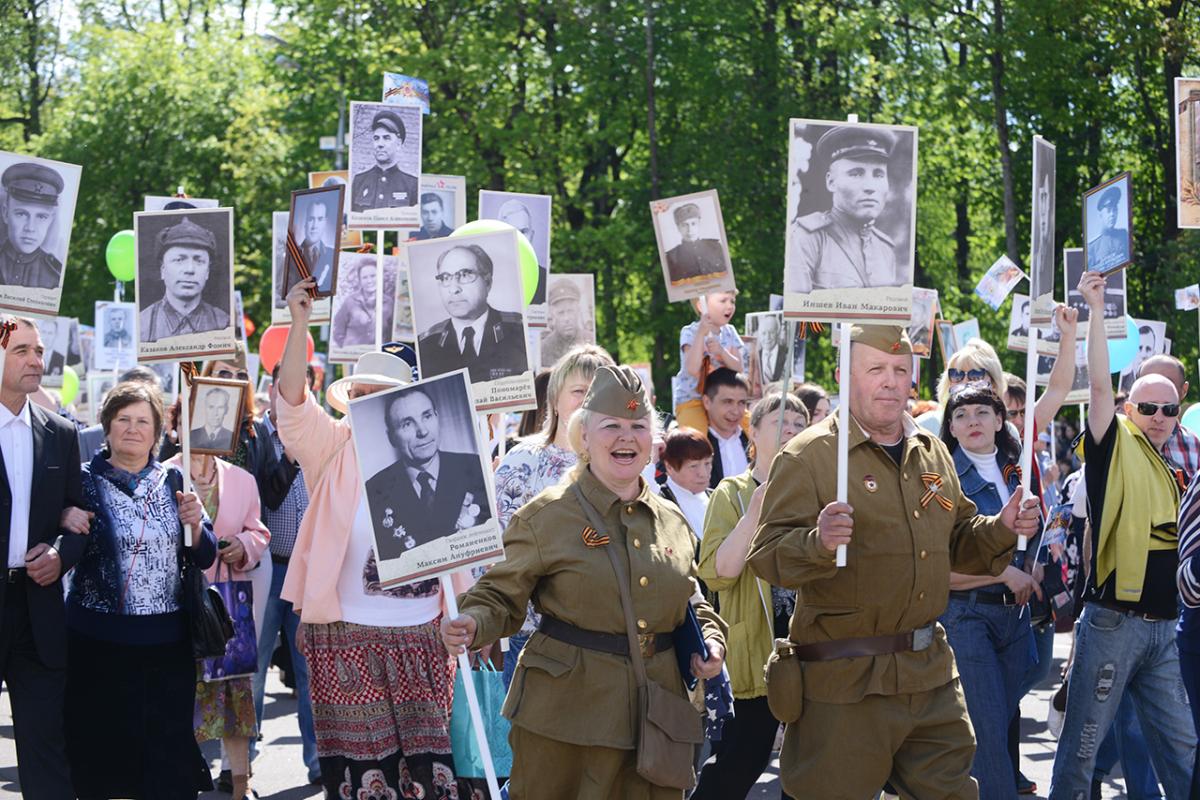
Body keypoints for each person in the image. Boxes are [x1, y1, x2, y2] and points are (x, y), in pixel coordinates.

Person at [746, 324, 1042, 798]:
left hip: (928, 676)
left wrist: (1003, 526)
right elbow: (766, 555)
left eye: (900, 370)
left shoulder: (932, 453)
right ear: (845, 375)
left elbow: (962, 539)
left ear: (914, 381)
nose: (889, 380)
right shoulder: (809, 456)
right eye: (876, 369)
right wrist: (817, 543)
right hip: (845, 685)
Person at [441, 365, 728, 798]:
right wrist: (474, 621)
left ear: (653, 441)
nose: (626, 437)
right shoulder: (549, 515)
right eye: (610, 425)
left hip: (656, 721)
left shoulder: (671, 517)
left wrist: (710, 640)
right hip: (566, 723)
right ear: (585, 437)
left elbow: (689, 596)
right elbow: (499, 592)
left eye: (638, 426)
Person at [276, 277, 479, 798]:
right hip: (345, 634)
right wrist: (300, 323)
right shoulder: (332, 448)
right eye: (360, 393)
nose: (368, 401)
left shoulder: (445, 454)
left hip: (423, 636)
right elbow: (293, 406)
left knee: (429, 774)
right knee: (364, 777)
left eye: (381, 395)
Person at [1047, 271, 1196, 798]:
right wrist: (1093, 311)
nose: (1159, 418)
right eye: (1148, 408)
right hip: (1114, 624)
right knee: (1081, 751)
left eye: (1169, 410)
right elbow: (1099, 384)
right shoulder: (1113, 444)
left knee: (1183, 751)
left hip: (1166, 628)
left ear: (1180, 411)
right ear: (1130, 409)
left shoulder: (1178, 468)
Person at [64, 380, 217, 797]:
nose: (133, 429)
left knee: (165, 759)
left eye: (143, 421)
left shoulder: (174, 480)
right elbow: (58, 540)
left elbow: (205, 556)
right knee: (102, 758)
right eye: (123, 420)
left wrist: (196, 524)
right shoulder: (80, 482)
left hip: (167, 647)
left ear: (158, 431)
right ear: (107, 426)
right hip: (97, 644)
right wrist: (65, 519)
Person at [693, 392, 808, 800]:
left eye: (798, 424)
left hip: (813, 649)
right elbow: (719, 572)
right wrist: (755, 511)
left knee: (808, 768)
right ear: (753, 431)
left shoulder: (817, 491)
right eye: (780, 422)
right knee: (741, 759)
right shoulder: (732, 492)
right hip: (757, 653)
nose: (790, 430)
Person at [938, 386, 1043, 800]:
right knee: (988, 734)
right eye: (961, 415)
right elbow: (940, 569)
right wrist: (1003, 576)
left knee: (995, 726)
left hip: (1016, 621)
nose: (973, 421)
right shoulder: (942, 478)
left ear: (1001, 421)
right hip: (966, 617)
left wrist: (1033, 565)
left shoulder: (1018, 471)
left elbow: (1031, 540)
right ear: (950, 427)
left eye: (983, 412)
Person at [491, 344, 614, 688]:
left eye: (600, 392)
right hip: (536, 640)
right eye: (579, 391)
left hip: (610, 643)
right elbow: (499, 551)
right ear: (555, 400)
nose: (589, 400)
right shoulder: (523, 461)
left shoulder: (625, 463)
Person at [0, 316, 88, 799]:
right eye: (22, 351)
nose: (37, 360)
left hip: (39, 612)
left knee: (45, 748)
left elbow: (77, 521)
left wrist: (59, 554)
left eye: (38, 350)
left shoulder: (61, 433)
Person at [166, 448, 269, 800]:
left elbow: (259, 531)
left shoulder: (242, 479)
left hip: (228, 602)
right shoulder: (165, 474)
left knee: (236, 697)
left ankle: (240, 783)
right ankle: (181, 783)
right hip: (180, 602)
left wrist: (243, 544)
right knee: (182, 697)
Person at [250, 363, 321, 785]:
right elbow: (264, 499)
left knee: (309, 669)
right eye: (284, 387)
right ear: (273, 389)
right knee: (253, 665)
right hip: (266, 569)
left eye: (301, 388)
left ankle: (317, 759)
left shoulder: (321, 436)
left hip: (308, 572)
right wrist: (290, 456)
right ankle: (244, 756)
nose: (291, 395)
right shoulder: (254, 437)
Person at [364, 385, 493, 559]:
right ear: (391, 437)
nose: (423, 431)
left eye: (427, 416)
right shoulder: (374, 490)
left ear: (437, 417)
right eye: (407, 424)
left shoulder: (476, 467)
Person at [784, 126, 903, 292]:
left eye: (878, 174)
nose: (870, 187)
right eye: (856, 173)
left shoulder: (885, 249)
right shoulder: (806, 236)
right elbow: (796, 311)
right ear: (831, 182)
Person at [416, 243, 528, 383]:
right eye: (445, 277)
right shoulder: (425, 345)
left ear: (487, 283)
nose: (454, 288)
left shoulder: (521, 332)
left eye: (465, 275)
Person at [139, 216, 231, 342]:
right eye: (179, 260)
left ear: (207, 271)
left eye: (199, 260)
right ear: (162, 269)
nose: (189, 270)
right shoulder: (142, 325)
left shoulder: (224, 324)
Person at [671, 291, 745, 432]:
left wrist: (721, 352)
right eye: (723, 301)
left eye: (732, 301)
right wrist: (701, 333)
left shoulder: (730, 332)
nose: (730, 306)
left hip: (725, 401)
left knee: (751, 428)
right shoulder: (690, 332)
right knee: (695, 440)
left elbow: (739, 367)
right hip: (693, 400)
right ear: (701, 306)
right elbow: (692, 369)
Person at [0, 162, 64, 290]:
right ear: (5, 213)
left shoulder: (56, 275)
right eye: (22, 214)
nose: (30, 228)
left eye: (41, 217)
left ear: (50, 220)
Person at [350, 109, 419, 212]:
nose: (380, 144)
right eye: (376, 138)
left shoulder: (412, 184)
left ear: (399, 144)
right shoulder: (359, 181)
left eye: (386, 138)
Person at [658, 427, 714, 539]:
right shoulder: (660, 501)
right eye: (693, 466)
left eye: (707, 463)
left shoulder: (716, 497)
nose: (703, 473)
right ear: (669, 466)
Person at [702, 368, 751, 489]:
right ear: (707, 402)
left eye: (741, 403)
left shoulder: (754, 441)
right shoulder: (697, 444)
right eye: (728, 402)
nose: (736, 411)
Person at [496, 198, 546, 304]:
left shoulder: (545, 278)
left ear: (532, 235)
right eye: (511, 231)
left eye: (523, 231)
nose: (519, 238)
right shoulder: (486, 276)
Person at [664, 202, 726, 283]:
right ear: (678, 227)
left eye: (693, 224)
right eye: (684, 225)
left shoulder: (716, 247)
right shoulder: (672, 256)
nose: (690, 230)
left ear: (699, 223)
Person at [331, 257, 380, 347]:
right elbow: (338, 329)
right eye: (365, 277)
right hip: (352, 358)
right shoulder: (349, 302)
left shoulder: (389, 303)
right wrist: (348, 348)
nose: (369, 281)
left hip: (379, 359)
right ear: (360, 280)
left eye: (373, 276)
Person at [540, 279, 586, 367]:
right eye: (561, 313)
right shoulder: (544, 348)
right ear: (553, 315)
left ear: (578, 311)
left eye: (570, 311)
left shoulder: (590, 340)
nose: (567, 318)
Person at [1086, 185, 1128, 272]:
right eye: (1108, 210)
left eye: (1115, 209)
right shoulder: (1092, 246)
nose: (1112, 214)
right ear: (1100, 214)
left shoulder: (1123, 235)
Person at [297, 199, 334, 292]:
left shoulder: (334, 255)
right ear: (305, 222)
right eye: (310, 219)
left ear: (325, 223)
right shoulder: (290, 255)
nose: (314, 225)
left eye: (320, 219)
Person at [190, 387, 234, 451]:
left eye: (220, 407)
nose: (215, 413)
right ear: (204, 408)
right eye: (211, 407)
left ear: (226, 410)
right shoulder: (191, 435)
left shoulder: (232, 438)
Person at [756, 314, 787, 385]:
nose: (767, 337)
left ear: (778, 333)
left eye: (771, 332)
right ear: (759, 335)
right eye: (763, 333)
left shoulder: (788, 354)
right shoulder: (755, 356)